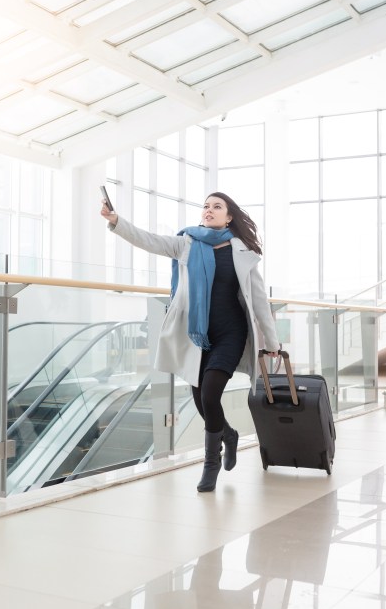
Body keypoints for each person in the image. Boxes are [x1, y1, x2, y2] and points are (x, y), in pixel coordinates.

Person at [100, 192, 280, 492]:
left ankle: (211, 463)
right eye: (206, 206)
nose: (209, 211)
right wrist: (117, 221)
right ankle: (229, 435)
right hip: (198, 334)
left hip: (231, 332)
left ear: (229, 216)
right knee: (199, 398)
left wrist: (272, 340)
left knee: (210, 394)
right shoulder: (187, 244)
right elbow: (150, 240)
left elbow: (259, 300)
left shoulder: (242, 251)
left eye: (217, 207)